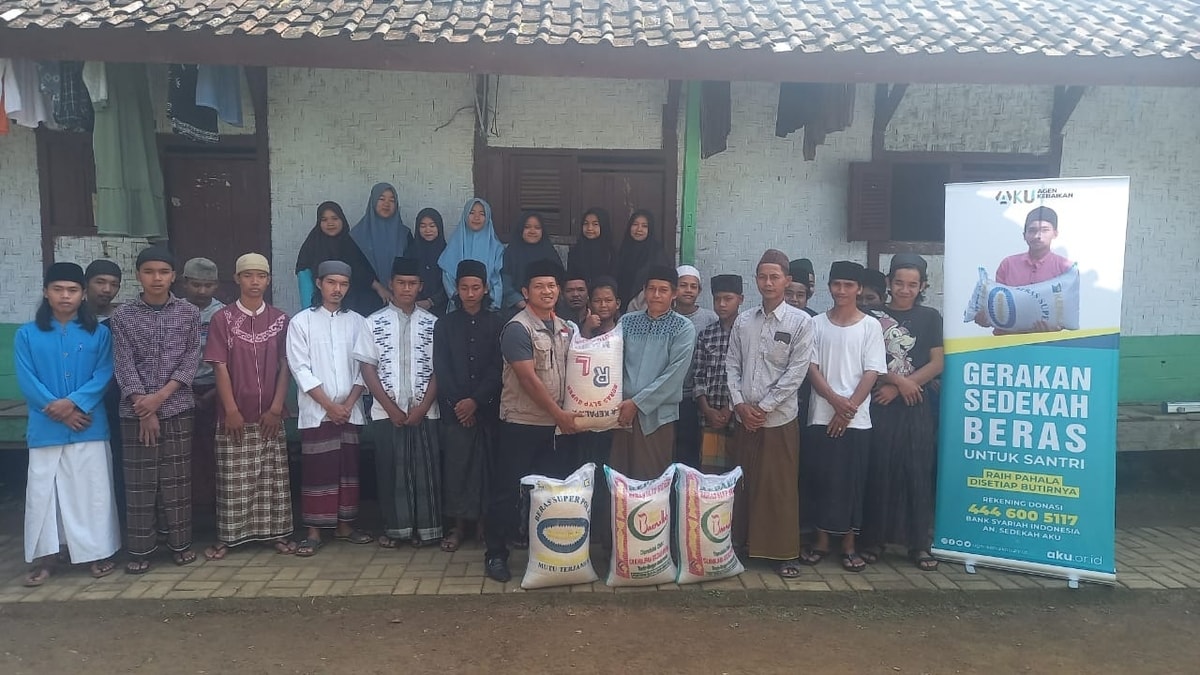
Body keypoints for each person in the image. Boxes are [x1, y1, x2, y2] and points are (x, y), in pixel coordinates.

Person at [17, 262, 121, 586]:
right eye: (58, 290)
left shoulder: (98, 332)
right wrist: (59, 409)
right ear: (46, 293)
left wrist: (75, 403)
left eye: (72, 290)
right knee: (44, 494)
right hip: (46, 427)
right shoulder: (27, 334)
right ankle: (48, 557)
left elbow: (104, 373)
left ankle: (96, 552)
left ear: (82, 294)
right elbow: (26, 378)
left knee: (91, 492)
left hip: (88, 424)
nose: (65, 296)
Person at [483, 258, 581, 583]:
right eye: (539, 286)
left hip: (555, 429)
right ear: (526, 291)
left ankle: (549, 556)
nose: (547, 291)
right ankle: (496, 555)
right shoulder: (516, 328)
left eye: (552, 285)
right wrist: (561, 416)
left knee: (551, 493)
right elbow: (528, 380)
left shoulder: (567, 329)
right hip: (521, 424)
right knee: (507, 492)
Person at [109, 246, 202, 574]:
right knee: (140, 481)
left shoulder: (189, 313)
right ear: (138, 275)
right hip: (134, 410)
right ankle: (140, 549)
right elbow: (123, 362)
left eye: (163, 272)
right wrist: (143, 407)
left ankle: (180, 544)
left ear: (174, 276)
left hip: (176, 406)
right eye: (149, 272)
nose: (157, 278)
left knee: (175, 480)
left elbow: (191, 358)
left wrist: (160, 398)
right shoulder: (123, 316)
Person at [726, 250, 814, 579]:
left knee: (777, 487)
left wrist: (762, 409)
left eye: (774, 277)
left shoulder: (800, 322)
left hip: (778, 420)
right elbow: (731, 364)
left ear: (787, 281)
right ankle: (741, 545)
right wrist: (739, 405)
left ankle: (782, 553)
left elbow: (796, 373)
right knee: (743, 483)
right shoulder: (744, 321)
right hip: (744, 417)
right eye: (762, 276)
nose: (768, 282)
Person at [201, 253, 295, 560]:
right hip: (235, 415)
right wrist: (230, 410)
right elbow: (220, 367)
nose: (255, 282)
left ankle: (276, 534)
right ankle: (231, 537)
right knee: (234, 480)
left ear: (268, 280)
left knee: (272, 479)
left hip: (270, 414)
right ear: (238, 279)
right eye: (248, 276)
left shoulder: (281, 320)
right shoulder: (223, 320)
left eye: (261, 276)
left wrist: (277, 408)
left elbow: (285, 366)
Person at [860, 254, 944, 571]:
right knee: (879, 471)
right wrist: (893, 381)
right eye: (899, 283)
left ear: (922, 285)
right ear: (888, 282)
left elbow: (937, 363)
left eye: (912, 284)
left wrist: (905, 386)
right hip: (879, 403)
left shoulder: (930, 317)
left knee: (916, 472)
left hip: (915, 405)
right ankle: (874, 541)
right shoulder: (870, 316)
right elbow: (863, 360)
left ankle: (918, 544)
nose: (905, 290)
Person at [802, 261, 887, 574]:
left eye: (848, 285)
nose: (842, 291)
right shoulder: (816, 324)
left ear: (859, 289)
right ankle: (821, 541)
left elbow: (872, 371)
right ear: (828, 286)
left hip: (857, 419)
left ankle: (849, 545)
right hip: (821, 415)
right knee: (822, 480)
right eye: (836, 284)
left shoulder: (870, 326)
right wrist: (835, 402)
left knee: (852, 484)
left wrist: (848, 407)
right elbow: (811, 367)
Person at [286, 260, 373, 556]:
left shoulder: (359, 322)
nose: (337, 289)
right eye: (332, 283)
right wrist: (329, 405)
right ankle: (313, 531)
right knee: (317, 471)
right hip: (317, 411)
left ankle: (346, 526)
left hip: (349, 410)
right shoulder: (301, 322)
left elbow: (366, 368)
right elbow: (300, 369)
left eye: (343, 284)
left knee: (348, 470)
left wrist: (347, 404)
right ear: (319, 284)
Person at [356, 257, 443, 549]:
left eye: (412, 284)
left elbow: (439, 370)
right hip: (386, 411)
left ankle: (427, 530)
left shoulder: (433, 324)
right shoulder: (373, 322)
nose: (406, 288)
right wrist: (391, 408)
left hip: (425, 410)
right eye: (401, 283)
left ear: (420, 287)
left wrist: (422, 407)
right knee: (391, 470)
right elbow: (368, 368)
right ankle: (396, 530)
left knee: (425, 472)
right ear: (391, 285)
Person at [433, 259, 503, 553]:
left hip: (488, 410)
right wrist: (460, 404)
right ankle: (459, 527)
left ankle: (485, 527)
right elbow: (442, 367)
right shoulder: (445, 324)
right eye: (465, 288)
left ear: (486, 288)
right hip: (455, 411)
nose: (471, 293)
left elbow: (499, 366)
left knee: (488, 469)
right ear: (456, 289)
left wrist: (476, 401)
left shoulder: (499, 322)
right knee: (458, 468)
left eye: (476, 287)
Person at [610, 265, 696, 480]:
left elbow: (674, 375)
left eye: (663, 290)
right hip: (621, 414)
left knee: (650, 480)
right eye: (651, 289)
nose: (656, 295)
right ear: (644, 291)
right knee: (620, 478)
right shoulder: (627, 322)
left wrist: (637, 403)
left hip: (657, 418)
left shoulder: (682, 328)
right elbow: (612, 361)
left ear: (674, 294)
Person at [978, 205, 1073, 333]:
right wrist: (986, 317)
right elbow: (999, 306)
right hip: (1007, 343)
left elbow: (1067, 313)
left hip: (1048, 344)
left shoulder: (1065, 268)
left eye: (1045, 230)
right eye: (1032, 230)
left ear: (1055, 233)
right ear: (1024, 235)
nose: (1038, 236)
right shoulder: (1008, 265)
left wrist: (1052, 328)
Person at [181, 257, 225, 518]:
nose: (201, 291)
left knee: (214, 453)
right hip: (179, 390)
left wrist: (213, 394)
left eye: (207, 286)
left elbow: (232, 361)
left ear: (216, 285)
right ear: (184, 283)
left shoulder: (224, 314)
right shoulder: (174, 311)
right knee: (186, 455)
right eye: (196, 285)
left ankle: (215, 512)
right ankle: (190, 514)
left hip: (217, 389)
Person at [296, 201, 389, 317]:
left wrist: (379, 288)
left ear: (342, 220)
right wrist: (311, 311)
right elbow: (305, 281)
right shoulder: (311, 247)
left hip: (353, 307)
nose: (330, 223)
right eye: (324, 220)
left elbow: (362, 272)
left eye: (334, 218)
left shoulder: (352, 245)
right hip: (320, 309)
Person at [85, 259, 125, 517]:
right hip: (84, 403)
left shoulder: (121, 318)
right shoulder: (72, 319)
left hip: (118, 398)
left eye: (113, 284)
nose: (106, 289)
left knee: (119, 461)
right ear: (86, 284)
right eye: (100, 282)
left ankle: (118, 521)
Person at [691, 274, 744, 474]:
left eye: (728, 299)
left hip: (740, 418)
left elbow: (746, 376)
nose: (721, 304)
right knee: (712, 476)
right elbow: (698, 376)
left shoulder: (747, 332)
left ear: (741, 299)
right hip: (709, 418)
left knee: (738, 472)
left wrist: (729, 409)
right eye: (717, 299)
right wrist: (707, 409)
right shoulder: (706, 335)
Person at [673, 264, 718, 468]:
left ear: (699, 291)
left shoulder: (710, 319)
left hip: (696, 398)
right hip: (668, 397)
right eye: (683, 285)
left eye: (693, 286)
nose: (688, 290)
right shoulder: (666, 316)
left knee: (692, 453)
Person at [438, 198, 505, 311]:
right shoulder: (454, 245)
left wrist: (492, 303)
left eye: (482, 214)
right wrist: (458, 299)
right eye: (472, 213)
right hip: (458, 309)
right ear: (465, 215)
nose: (476, 217)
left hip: (488, 309)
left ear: (488, 217)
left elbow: (497, 279)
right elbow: (448, 275)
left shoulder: (496, 248)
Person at [351, 182, 414, 287]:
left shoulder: (404, 234)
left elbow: (409, 266)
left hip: (399, 295)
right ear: (373, 201)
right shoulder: (357, 235)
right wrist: (378, 287)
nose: (387, 204)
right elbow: (355, 268)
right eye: (381, 199)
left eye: (392, 200)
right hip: (366, 296)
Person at [501, 212, 563, 316]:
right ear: (521, 230)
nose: (532, 231)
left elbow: (559, 282)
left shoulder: (549, 253)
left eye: (537, 227)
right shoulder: (511, 252)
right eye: (527, 227)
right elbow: (506, 284)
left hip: (549, 308)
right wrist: (522, 304)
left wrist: (548, 303)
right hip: (518, 309)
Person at [614, 209, 670, 313]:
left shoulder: (657, 254)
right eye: (635, 224)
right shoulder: (623, 251)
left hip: (646, 307)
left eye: (644, 226)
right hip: (619, 308)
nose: (639, 229)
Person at [408, 207, 449, 316]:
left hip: (441, 308)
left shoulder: (447, 252)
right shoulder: (410, 252)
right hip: (413, 307)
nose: (427, 230)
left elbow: (450, 282)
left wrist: (432, 301)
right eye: (423, 226)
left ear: (439, 227)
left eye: (432, 226)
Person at [567, 207, 614, 285]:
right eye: (586, 223)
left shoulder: (610, 253)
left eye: (595, 224)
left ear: (603, 226)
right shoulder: (575, 251)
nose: (589, 228)